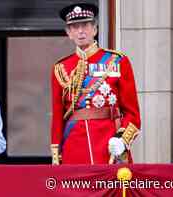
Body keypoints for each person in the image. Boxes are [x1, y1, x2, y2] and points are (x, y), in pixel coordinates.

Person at [50, 2, 141, 165]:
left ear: (95, 29)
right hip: (74, 147)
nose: (80, 31)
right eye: (74, 27)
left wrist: (122, 140)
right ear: (68, 33)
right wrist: (57, 157)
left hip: (109, 144)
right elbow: (58, 117)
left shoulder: (118, 61)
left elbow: (133, 113)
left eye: (85, 25)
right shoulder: (61, 68)